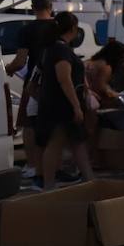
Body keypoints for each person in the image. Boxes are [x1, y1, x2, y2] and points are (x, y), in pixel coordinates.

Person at [34, 12, 95, 191]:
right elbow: (64, 79)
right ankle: (49, 185)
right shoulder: (61, 50)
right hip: (62, 105)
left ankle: (89, 178)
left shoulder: (50, 48)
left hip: (52, 103)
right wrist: (76, 106)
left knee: (77, 142)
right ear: (74, 28)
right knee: (56, 143)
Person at [4, 0, 55, 179]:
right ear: (51, 6)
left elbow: (20, 61)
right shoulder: (58, 27)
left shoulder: (26, 31)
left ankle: (33, 165)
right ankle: (52, 164)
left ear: (33, 8)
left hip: (34, 83)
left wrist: (8, 69)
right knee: (54, 125)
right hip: (56, 82)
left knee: (29, 125)